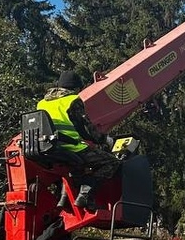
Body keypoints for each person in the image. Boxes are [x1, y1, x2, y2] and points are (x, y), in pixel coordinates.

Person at [36, 71, 121, 210]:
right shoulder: (72, 100)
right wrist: (104, 140)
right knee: (112, 162)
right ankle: (85, 195)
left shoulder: (42, 103)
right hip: (72, 147)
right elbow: (86, 130)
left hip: (51, 149)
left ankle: (64, 200)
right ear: (75, 88)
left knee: (76, 167)